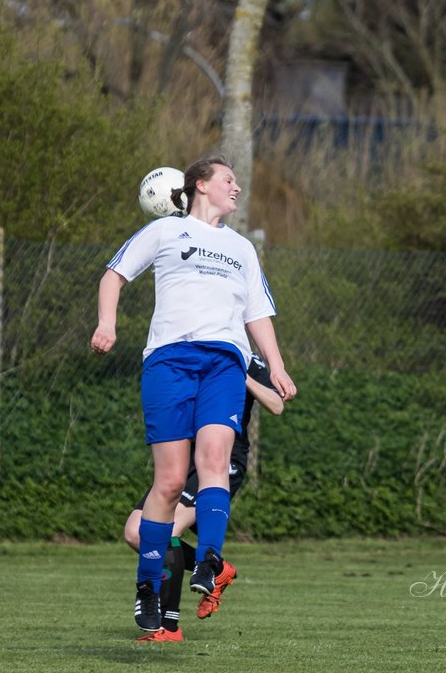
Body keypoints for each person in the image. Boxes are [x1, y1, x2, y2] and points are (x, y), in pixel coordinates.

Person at [92, 154, 297, 637]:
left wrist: (279, 364)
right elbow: (113, 276)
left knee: (214, 457)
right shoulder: (164, 232)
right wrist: (107, 323)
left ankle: (208, 562)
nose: (237, 188)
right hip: (169, 360)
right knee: (166, 483)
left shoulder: (242, 248)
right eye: (229, 179)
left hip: (224, 361)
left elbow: (257, 313)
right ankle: (148, 589)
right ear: (201, 185)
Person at [123, 354, 285, 642]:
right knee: (136, 532)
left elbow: (276, 404)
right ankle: (218, 568)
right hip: (184, 457)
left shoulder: (247, 359)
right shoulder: (193, 346)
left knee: (168, 530)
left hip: (221, 461)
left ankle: (168, 627)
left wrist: (240, 374)